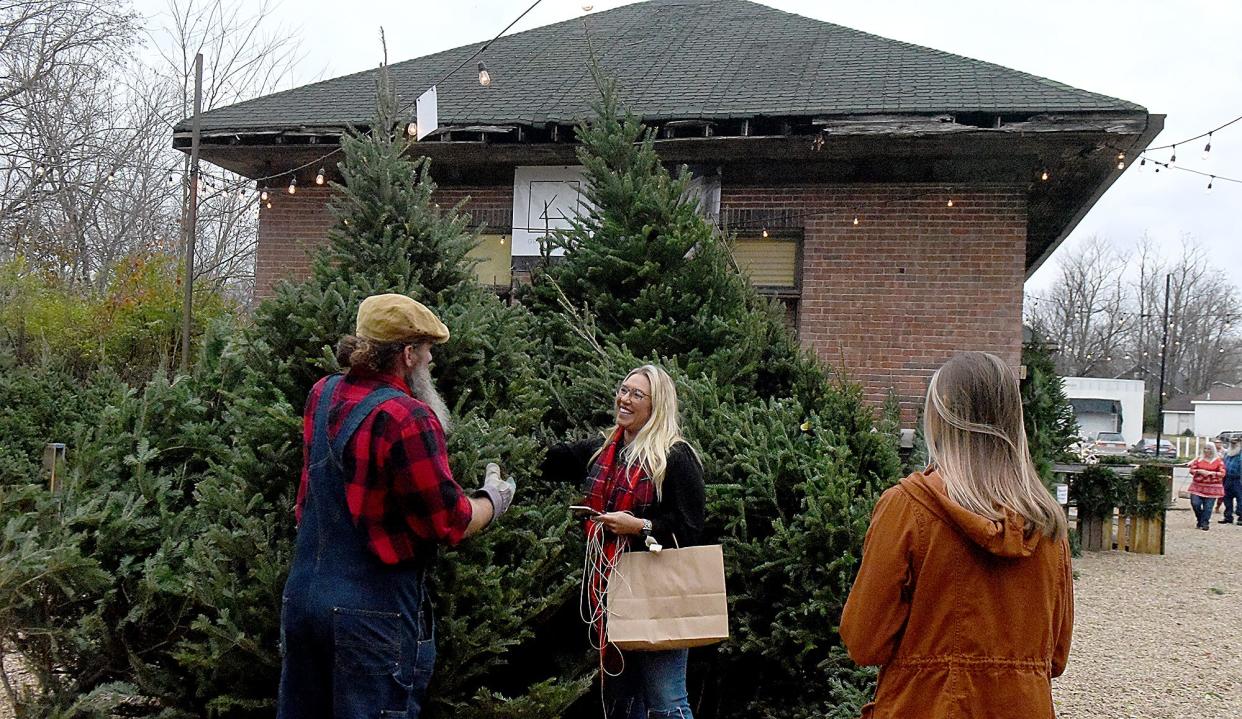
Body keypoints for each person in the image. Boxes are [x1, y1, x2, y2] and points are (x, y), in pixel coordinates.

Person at [277, 293, 516, 719]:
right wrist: (492, 500)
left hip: (303, 599)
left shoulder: (323, 393)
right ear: (407, 354)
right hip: (373, 616)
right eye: (426, 351)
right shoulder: (408, 417)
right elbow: (448, 522)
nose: (431, 362)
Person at [840, 351, 1073, 718]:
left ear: (943, 415)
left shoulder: (907, 507)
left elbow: (865, 641)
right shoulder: (1046, 526)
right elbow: (1055, 657)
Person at [541, 364, 705, 719]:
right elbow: (549, 461)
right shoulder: (604, 452)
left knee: (666, 701)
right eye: (623, 390)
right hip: (610, 595)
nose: (624, 399)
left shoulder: (675, 457)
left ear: (656, 405)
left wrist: (638, 526)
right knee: (622, 701)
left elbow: (691, 529)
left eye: (636, 394)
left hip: (658, 595)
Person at [1188, 442, 1225, 531]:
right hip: (1197, 486)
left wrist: (1211, 473)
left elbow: (1222, 473)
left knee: (1208, 507)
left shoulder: (1218, 461)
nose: (1206, 451)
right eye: (1205, 448)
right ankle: (1200, 519)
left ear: (1213, 450)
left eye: (1209, 449)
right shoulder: (1199, 460)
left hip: (1213, 487)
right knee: (1195, 503)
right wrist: (1199, 471)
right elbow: (1192, 470)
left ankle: (1205, 523)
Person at [1224, 439, 1242, 524]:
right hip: (1227, 479)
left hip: (1238, 479)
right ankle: (1228, 516)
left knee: (1240, 498)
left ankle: (1241, 517)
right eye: (1232, 443)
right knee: (1227, 498)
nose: (1233, 445)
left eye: (1235, 443)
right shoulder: (1228, 454)